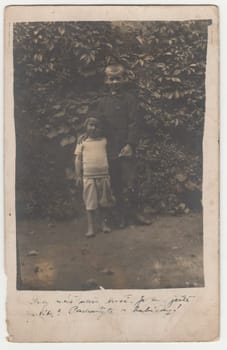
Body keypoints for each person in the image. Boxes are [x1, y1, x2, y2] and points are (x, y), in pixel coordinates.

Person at [97, 63, 151, 228]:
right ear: (106, 80)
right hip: (110, 148)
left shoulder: (130, 99)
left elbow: (135, 123)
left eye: (117, 79)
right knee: (116, 183)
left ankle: (135, 213)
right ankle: (119, 215)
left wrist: (130, 144)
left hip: (126, 147)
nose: (114, 82)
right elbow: (98, 123)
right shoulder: (103, 101)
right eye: (111, 79)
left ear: (124, 79)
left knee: (131, 180)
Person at [74, 117, 115, 237]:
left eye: (97, 126)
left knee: (104, 202)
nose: (94, 128)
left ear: (101, 128)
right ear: (85, 127)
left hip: (103, 176)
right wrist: (78, 175)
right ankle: (91, 228)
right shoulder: (82, 142)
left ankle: (104, 224)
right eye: (91, 125)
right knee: (90, 203)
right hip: (88, 176)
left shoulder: (104, 141)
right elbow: (78, 159)